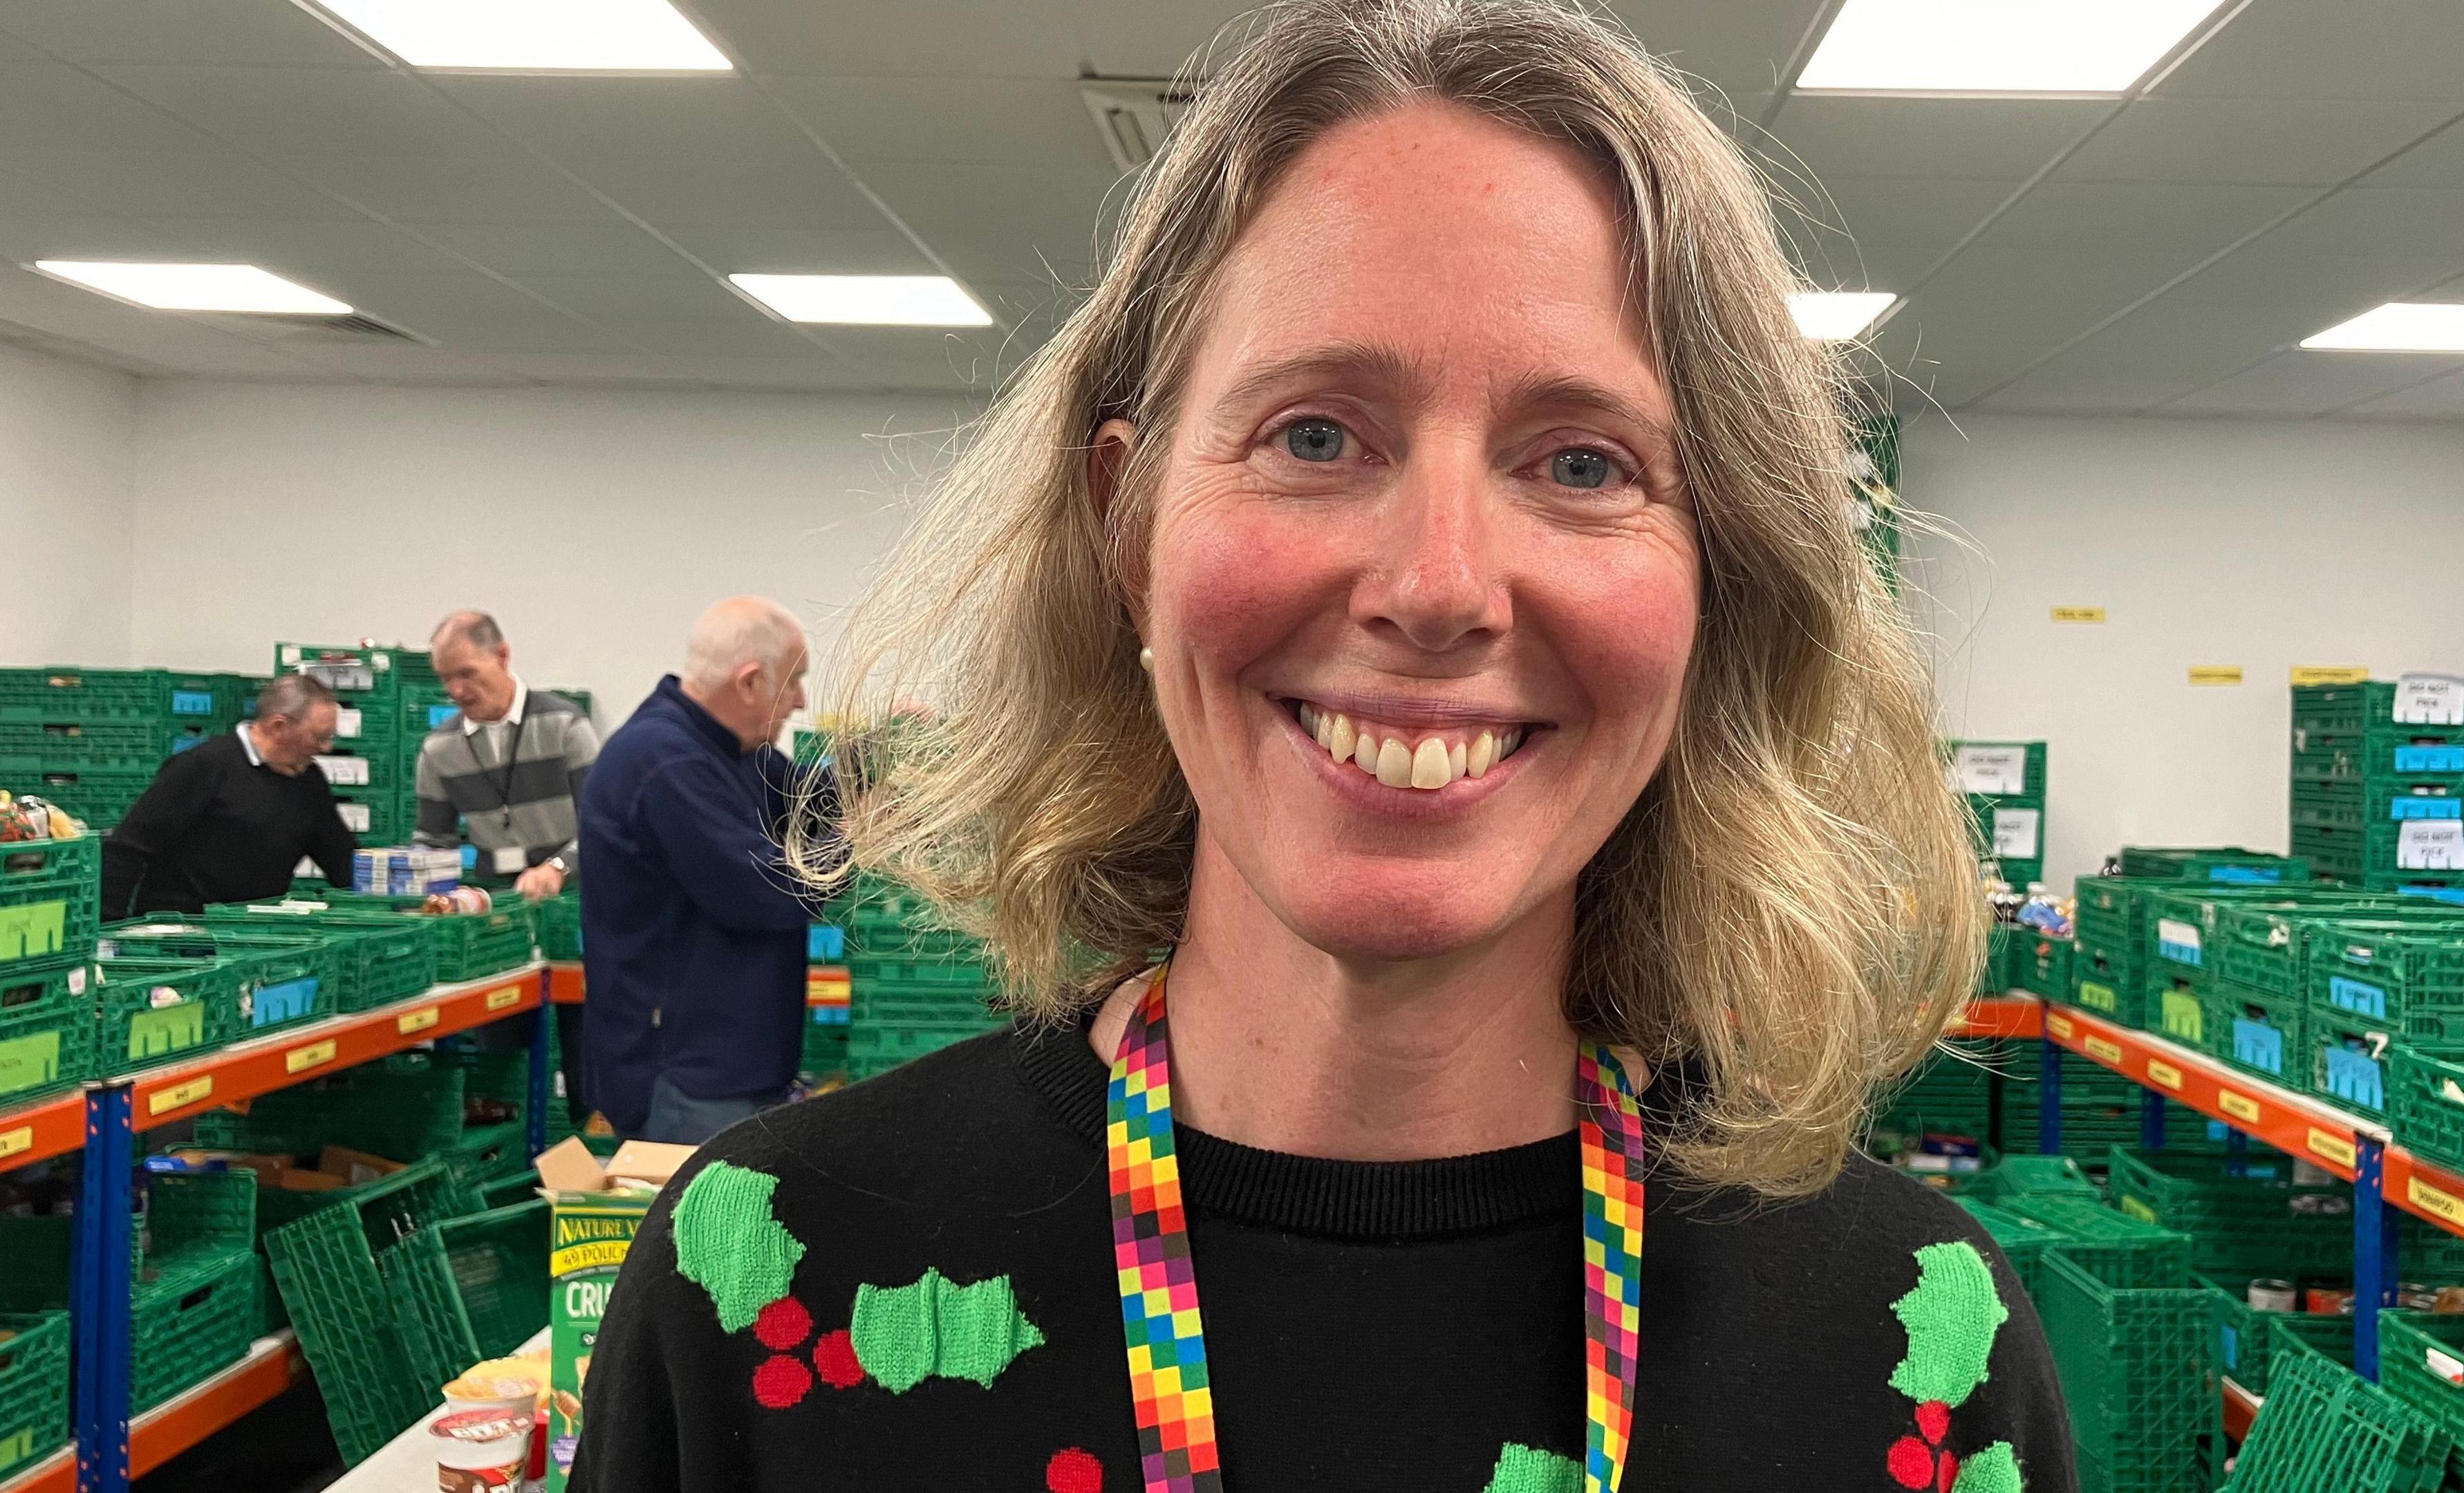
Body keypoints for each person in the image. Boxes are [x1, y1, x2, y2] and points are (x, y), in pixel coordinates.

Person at [572, 3, 2069, 1489]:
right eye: (1313, 434)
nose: (1435, 585)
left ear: (1715, 583)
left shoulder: (1914, 1348)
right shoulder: (765, 1281)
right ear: (1127, 524)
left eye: (1583, 461)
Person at [575, 597, 827, 1146]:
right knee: (701, 1229)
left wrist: (885, 761)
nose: (801, 701)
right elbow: (767, 893)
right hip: (688, 1079)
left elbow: (808, 797)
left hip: (732, 1064)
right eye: (794, 681)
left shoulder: (731, 751)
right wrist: (855, 841)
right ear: (750, 682)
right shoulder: (666, 761)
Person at [102, 673, 356, 917]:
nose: (326, 747)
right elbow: (129, 848)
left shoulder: (309, 782)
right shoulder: (204, 766)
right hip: (184, 934)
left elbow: (340, 857)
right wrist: (109, 928)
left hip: (253, 934)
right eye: (319, 737)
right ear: (279, 726)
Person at [415, 610, 601, 902]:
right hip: (497, 910)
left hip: (573, 901)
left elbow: (603, 823)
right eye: (446, 678)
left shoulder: (565, 725)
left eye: (467, 673)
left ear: (502, 656)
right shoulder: (439, 749)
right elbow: (434, 842)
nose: (456, 690)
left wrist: (557, 868)